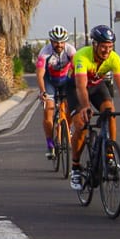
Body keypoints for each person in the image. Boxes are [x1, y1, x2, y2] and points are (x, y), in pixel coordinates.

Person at [69, 24, 120, 191]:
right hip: (76, 87)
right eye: (103, 47)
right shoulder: (82, 57)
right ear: (94, 44)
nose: (107, 51)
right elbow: (81, 86)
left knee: (110, 111)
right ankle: (75, 167)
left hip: (96, 85)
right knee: (81, 124)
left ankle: (109, 155)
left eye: (110, 47)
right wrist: (86, 107)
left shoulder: (114, 58)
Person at [34, 25, 76, 159]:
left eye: (62, 42)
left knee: (71, 107)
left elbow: (76, 68)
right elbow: (40, 75)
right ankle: (50, 144)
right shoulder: (44, 53)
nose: (59, 45)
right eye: (56, 42)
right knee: (49, 110)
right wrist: (43, 92)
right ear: (51, 42)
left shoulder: (70, 50)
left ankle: (67, 127)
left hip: (64, 80)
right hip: (50, 81)